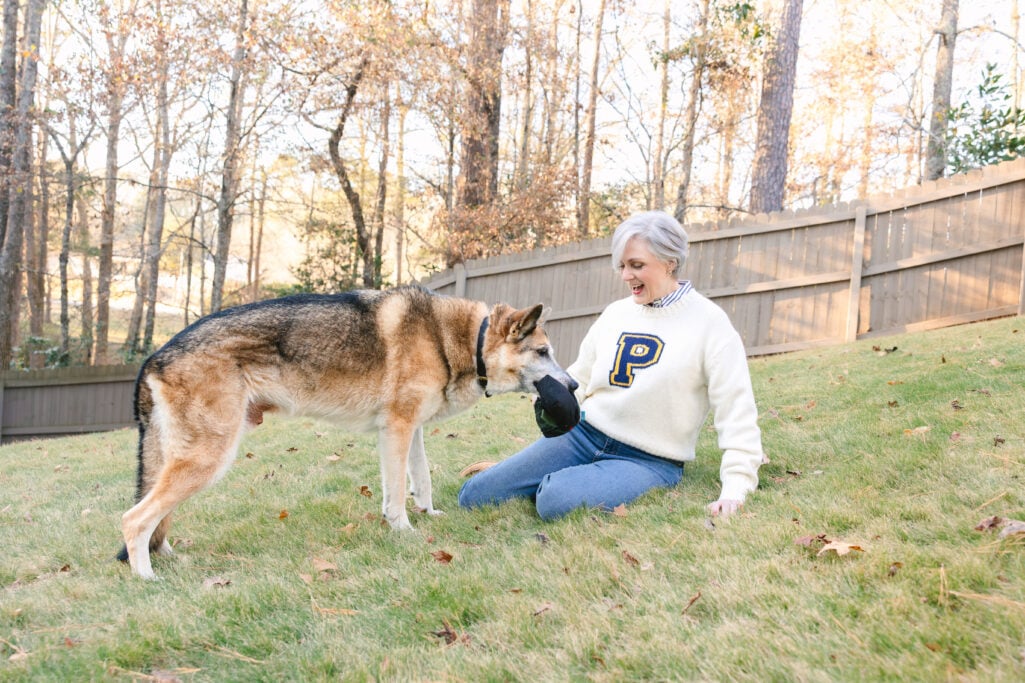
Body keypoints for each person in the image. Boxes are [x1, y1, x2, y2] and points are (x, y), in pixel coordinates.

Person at [458, 210, 765, 520]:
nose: (626, 276)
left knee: (553, 499)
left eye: (637, 265)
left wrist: (735, 488)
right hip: (582, 436)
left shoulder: (710, 324)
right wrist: (554, 401)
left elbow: (736, 412)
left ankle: (559, 482)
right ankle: (532, 475)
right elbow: (580, 377)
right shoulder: (616, 314)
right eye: (622, 266)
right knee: (474, 496)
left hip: (648, 460)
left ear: (670, 261)